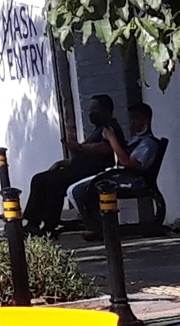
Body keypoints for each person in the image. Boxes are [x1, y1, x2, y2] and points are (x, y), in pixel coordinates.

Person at [23, 94, 120, 236]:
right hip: (79, 169)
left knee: (55, 181)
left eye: (95, 109)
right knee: (39, 179)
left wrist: (80, 148)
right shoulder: (98, 129)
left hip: (94, 174)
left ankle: (50, 224)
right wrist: (63, 161)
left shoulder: (110, 129)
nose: (91, 113)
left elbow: (108, 148)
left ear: (106, 110)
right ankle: (32, 222)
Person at [69, 100, 166, 236]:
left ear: (146, 120)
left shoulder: (148, 144)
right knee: (73, 190)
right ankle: (95, 225)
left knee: (80, 190)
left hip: (134, 180)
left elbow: (127, 162)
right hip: (121, 176)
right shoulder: (135, 140)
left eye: (136, 119)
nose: (132, 122)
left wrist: (112, 139)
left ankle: (97, 228)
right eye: (131, 119)